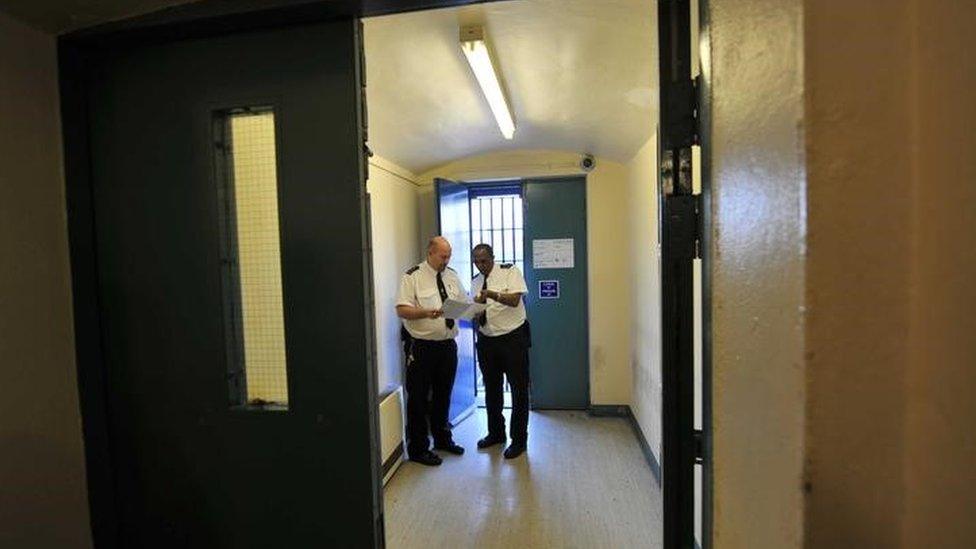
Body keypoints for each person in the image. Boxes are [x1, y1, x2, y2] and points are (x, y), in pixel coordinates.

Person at [395, 236, 466, 466]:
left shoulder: (452, 275)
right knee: (418, 398)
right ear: (430, 253)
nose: (446, 260)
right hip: (422, 347)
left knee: (443, 395)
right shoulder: (413, 276)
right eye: (443, 256)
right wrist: (426, 312)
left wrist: (468, 309)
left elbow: (463, 302)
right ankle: (418, 448)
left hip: (447, 346)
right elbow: (402, 310)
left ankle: (443, 438)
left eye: (449, 256)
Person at [471, 243, 531, 459]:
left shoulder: (510, 272)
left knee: (518, 390)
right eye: (476, 261)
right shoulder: (475, 282)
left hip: (513, 338)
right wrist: (473, 313)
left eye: (484, 260)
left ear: (492, 257)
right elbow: (478, 312)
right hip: (487, 341)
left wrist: (491, 294)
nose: (480, 265)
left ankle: (519, 440)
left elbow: (515, 300)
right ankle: (496, 433)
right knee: (492, 390)